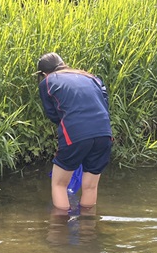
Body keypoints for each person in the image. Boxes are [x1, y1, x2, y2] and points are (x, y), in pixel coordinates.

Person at [36, 53, 113, 211]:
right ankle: (87, 231)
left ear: (43, 73)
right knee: (90, 187)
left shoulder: (47, 82)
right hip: (104, 132)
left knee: (59, 185)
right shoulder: (91, 77)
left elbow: (53, 115)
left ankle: (60, 231)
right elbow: (105, 104)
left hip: (76, 135)